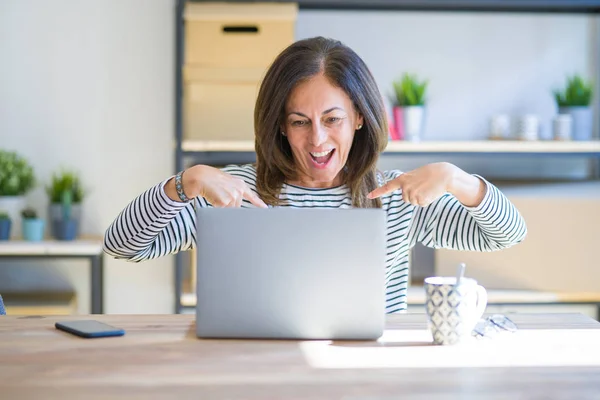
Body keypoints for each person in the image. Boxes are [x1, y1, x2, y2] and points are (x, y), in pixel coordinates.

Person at [103, 36, 527, 314]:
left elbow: (507, 234)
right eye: (300, 121)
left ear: (359, 118)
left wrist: (456, 178)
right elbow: (121, 246)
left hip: (369, 374)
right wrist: (183, 183)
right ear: (281, 126)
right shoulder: (232, 191)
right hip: (253, 369)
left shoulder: (397, 195)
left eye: (332, 119)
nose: (317, 139)